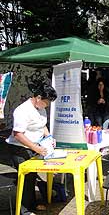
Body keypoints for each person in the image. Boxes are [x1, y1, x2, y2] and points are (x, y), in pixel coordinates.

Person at [6, 82, 57, 215]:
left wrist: (49, 137)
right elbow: (18, 134)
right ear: (38, 97)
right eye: (46, 102)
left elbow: (42, 125)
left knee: (32, 176)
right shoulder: (22, 111)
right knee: (26, 178)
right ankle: (24, 210)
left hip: (34, 146)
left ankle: (32, 204)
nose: (47, 105)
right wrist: (36, 148)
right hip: (19, 149)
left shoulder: (40, 108)